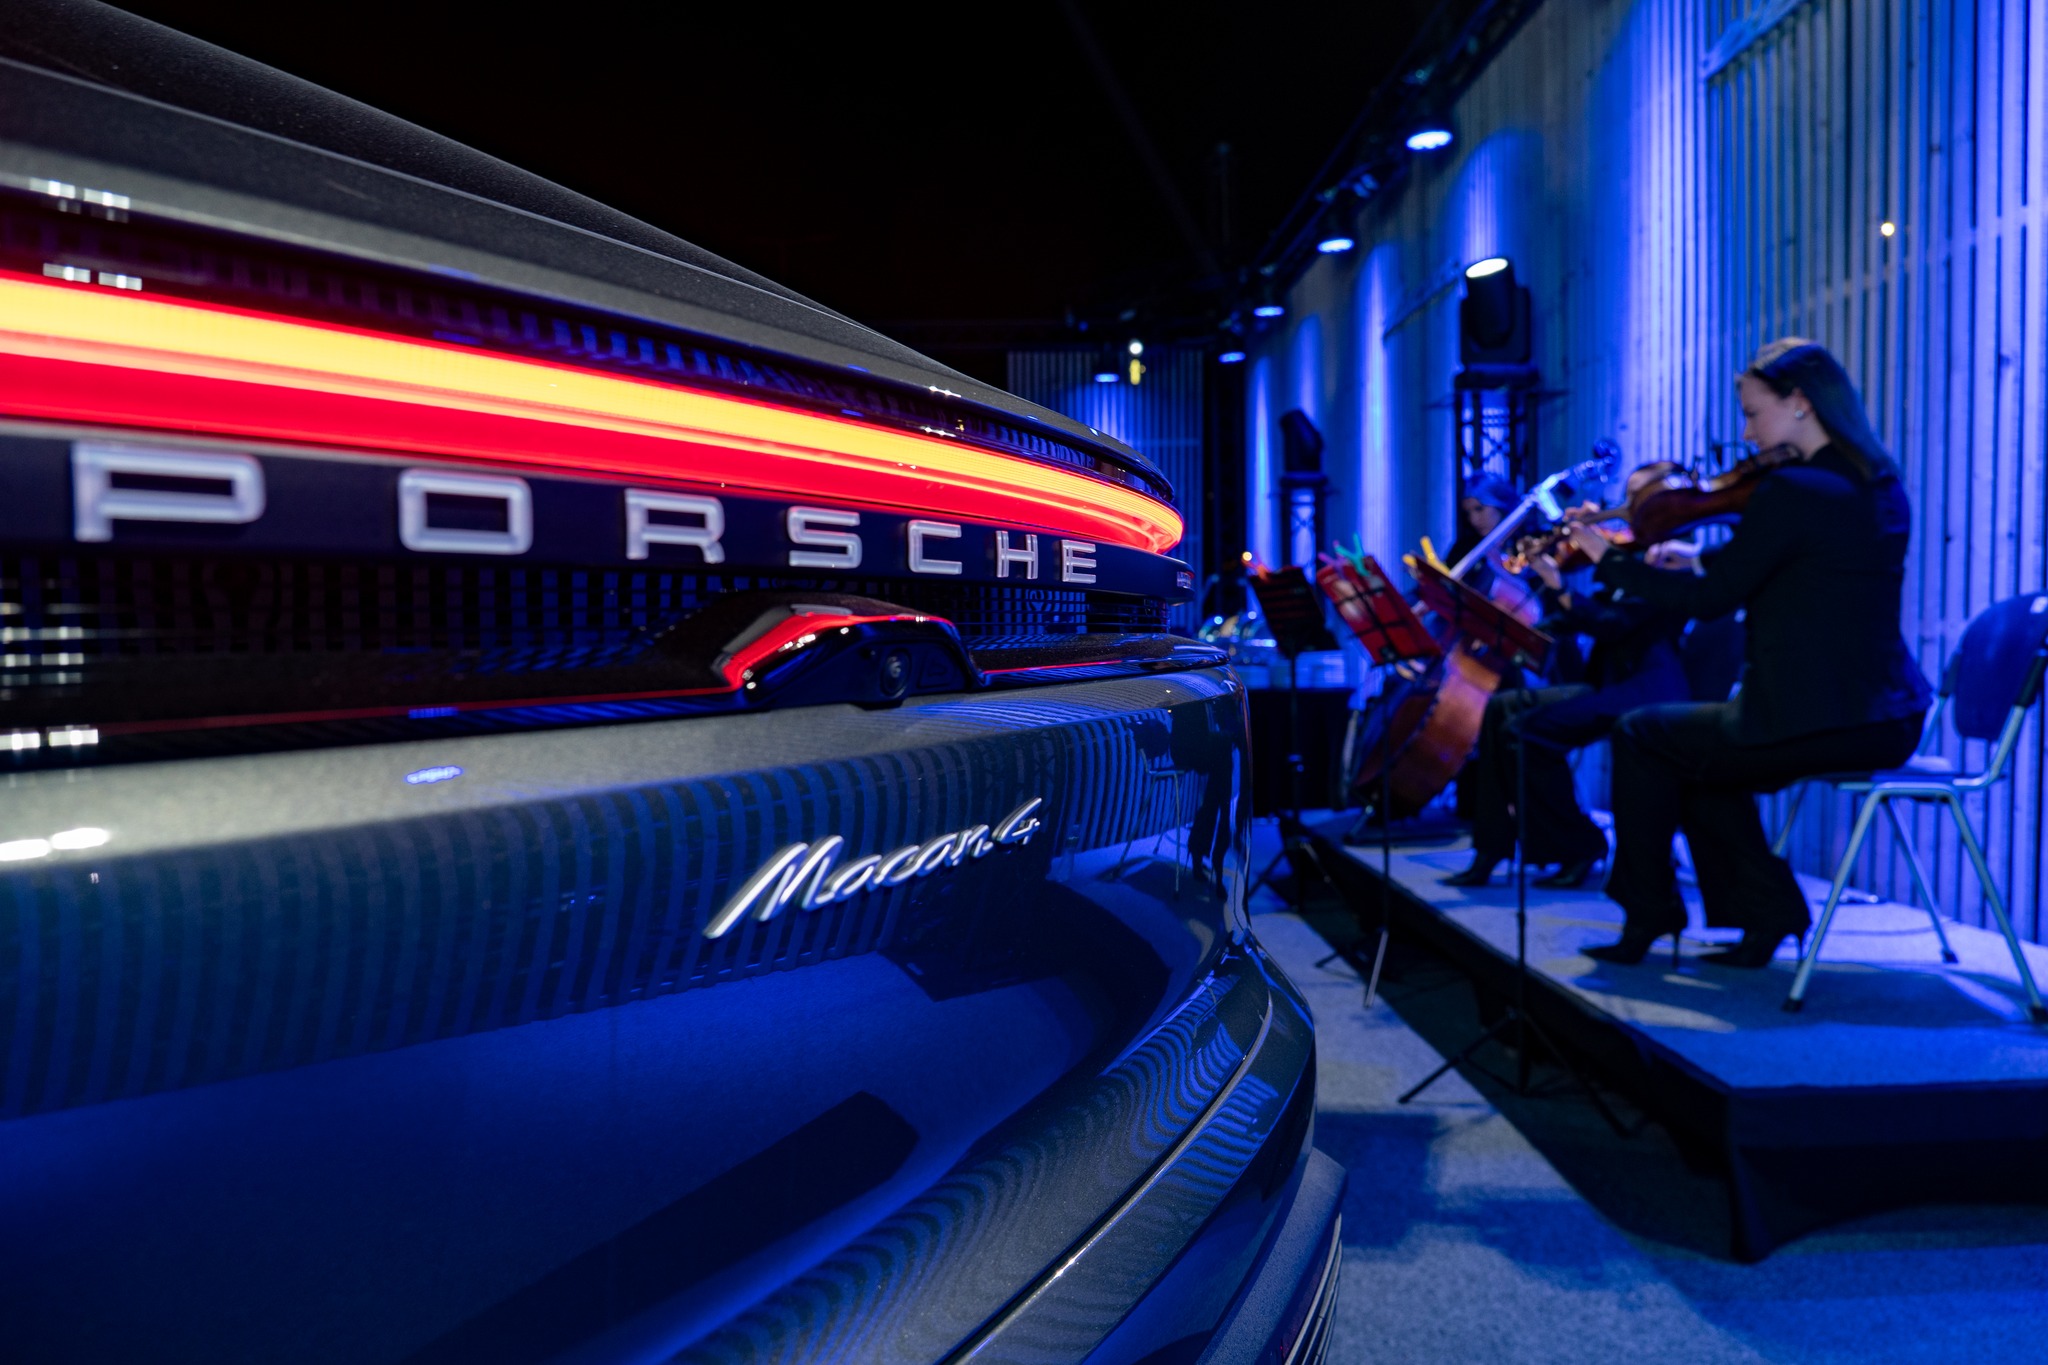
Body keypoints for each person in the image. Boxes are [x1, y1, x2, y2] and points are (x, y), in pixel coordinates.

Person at [1565, 338, 1931, 967]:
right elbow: (1800, 563)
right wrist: (1696, 557)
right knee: (1697, 757)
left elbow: (1711, 601)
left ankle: (1651, 912)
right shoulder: (1875, 482)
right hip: (1887, 715)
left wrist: (1609, 559)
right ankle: (1766, 914)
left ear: (1799, 403)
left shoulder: (1792, 490)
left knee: (1642, 734)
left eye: (1753, 413)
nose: (1747, 433)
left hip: (1821, 717)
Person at [1442, 470, 1693, 890]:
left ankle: (1578, 844)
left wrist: (1560, 586)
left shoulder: (1670, 559)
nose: (1624, 508)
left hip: (1644, 687)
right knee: (1501, 708)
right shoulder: (1631, 553)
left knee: (1526, 732)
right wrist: (1524, 628)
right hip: (1610, 679)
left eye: (1637, 496)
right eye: (1628, 496)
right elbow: (1594, 612)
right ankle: (1491, 847)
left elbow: (1614, 623)